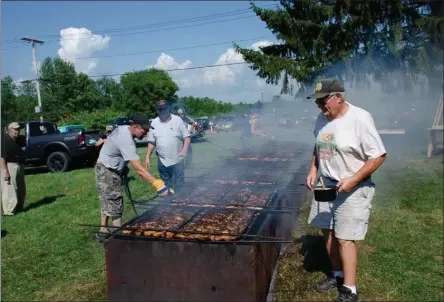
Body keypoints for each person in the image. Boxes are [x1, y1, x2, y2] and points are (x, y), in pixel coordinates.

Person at [305, 78, 387, 302]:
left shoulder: (360, 118)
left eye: (323, 102)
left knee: (345, 238)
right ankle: (337, 275)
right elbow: (318, 145)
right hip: (327, 184)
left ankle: (350, 289)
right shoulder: (322, 119)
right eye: (317, 103)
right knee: (327, 231)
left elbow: (378, 155)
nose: (320, 107)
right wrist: (313, 169)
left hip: (353, 186)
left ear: (338, 97)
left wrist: (353, 179)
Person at [94, 114, 172, 243]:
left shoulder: (124, 128)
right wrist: (158, 184)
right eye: (144, 131)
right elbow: (139, 169)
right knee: (114, 201)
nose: (146, 134)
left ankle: (103, 231)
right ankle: (119, 237)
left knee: (106, 199)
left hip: (104, 166)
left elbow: (111, 141)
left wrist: (121, 165)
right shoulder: (126, 139)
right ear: (135, 126)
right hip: (107, 170)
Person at [145, 100, 191, 194]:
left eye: (164, 108)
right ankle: (168, 204)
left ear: (168, 108)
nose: (162, 111)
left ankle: (180, 200)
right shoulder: (154, 123)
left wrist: (185, 149)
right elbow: (151, 142)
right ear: (157, 110)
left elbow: (187, 137)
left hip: (178, 158)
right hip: (162, 160)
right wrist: (147, 157)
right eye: (160, 109)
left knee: (179, 184)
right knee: (165, 186)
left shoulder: (177, 120)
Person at [1, 122, 26, 216]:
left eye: (19, 129)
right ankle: (8, 210)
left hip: (20, 165)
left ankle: (19, 207)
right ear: (9, 129)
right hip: (9, 165)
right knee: (9, 189)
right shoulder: (4, 141)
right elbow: (2, 158)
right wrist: (5, 171)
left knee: (21, 188)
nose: (18, 131)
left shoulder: (19, 140)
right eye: (15, 129)